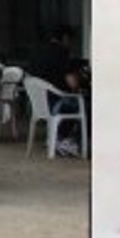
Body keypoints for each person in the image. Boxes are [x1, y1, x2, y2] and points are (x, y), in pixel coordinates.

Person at [28, 24, 88, 156]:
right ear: (65, 38)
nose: (71, 44)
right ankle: (68, 140)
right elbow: (72, 82)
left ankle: (56, 138)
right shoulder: (61, 53)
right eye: (71, 40)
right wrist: (80, 88)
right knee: (86, 104)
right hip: (57, 104)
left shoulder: (38, 52)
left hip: (40, 105)